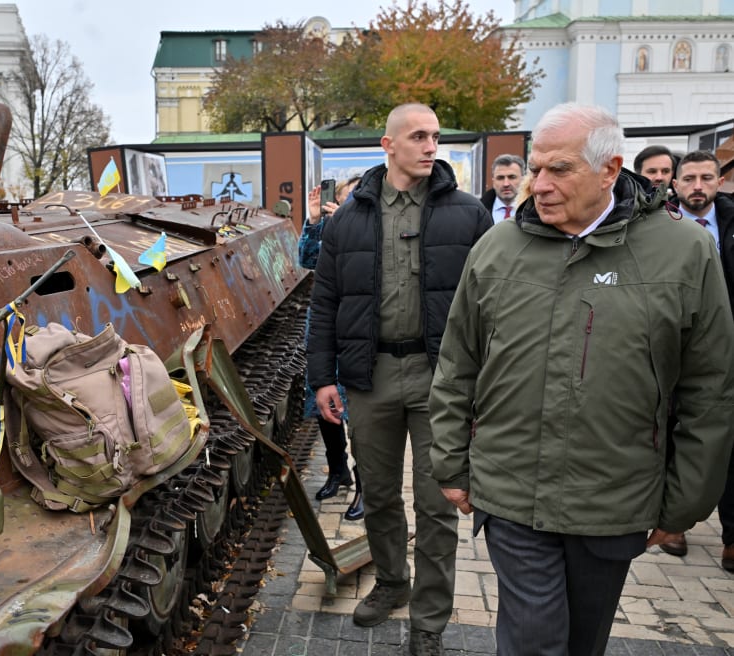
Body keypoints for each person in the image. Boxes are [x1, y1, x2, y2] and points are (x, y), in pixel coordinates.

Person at [429, 104, 734, 656]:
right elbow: (457, 364)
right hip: (512, 491)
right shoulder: (497, 249)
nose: (538, 185)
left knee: (583, 642)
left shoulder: (685, 252)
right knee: (533, 642)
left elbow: (710, 390)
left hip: (614, 498)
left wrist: (684, 502)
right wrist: (450, 461)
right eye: (534, 168)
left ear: (610, 170)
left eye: (559, 170)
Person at [307, 103, 492, 655]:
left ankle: (430, 620)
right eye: (418, 136)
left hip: (444, 377)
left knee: (438, 503)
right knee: (380, 492)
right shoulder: (349, 220)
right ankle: (392, 581)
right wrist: (322, 378)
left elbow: (491, 307)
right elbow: (326, 302)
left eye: (435, 136)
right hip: (372, 376)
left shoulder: (469, 216)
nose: (431, 145)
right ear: (387, 145)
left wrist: (484, 387)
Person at [658, 149, 734, 563]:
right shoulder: (660, 229)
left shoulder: (729, 225)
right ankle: (676, 523)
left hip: (725, 347)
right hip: (675, 346)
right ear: (676, 183)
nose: (698, 186)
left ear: (720, 182)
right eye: (689, 179)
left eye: (707, 178)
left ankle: (731, 534)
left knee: (723, 437)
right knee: (674, 433)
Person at [301, 176, 364, 521]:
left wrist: (348, 224)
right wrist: (314, 221)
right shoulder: (327, 226)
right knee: (324, 407)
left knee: (360, 413)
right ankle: (337, 470)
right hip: (326, 326)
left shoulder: (372, 226)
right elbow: (306, 260)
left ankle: (366, 486)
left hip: (359, 327)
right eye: (345, 196)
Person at [479, 154, 526, 224]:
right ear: (493, 181)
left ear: (523, 180)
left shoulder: (535, 211)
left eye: (512, 177)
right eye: (500, 178)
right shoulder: (479, 211)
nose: (506, 184)